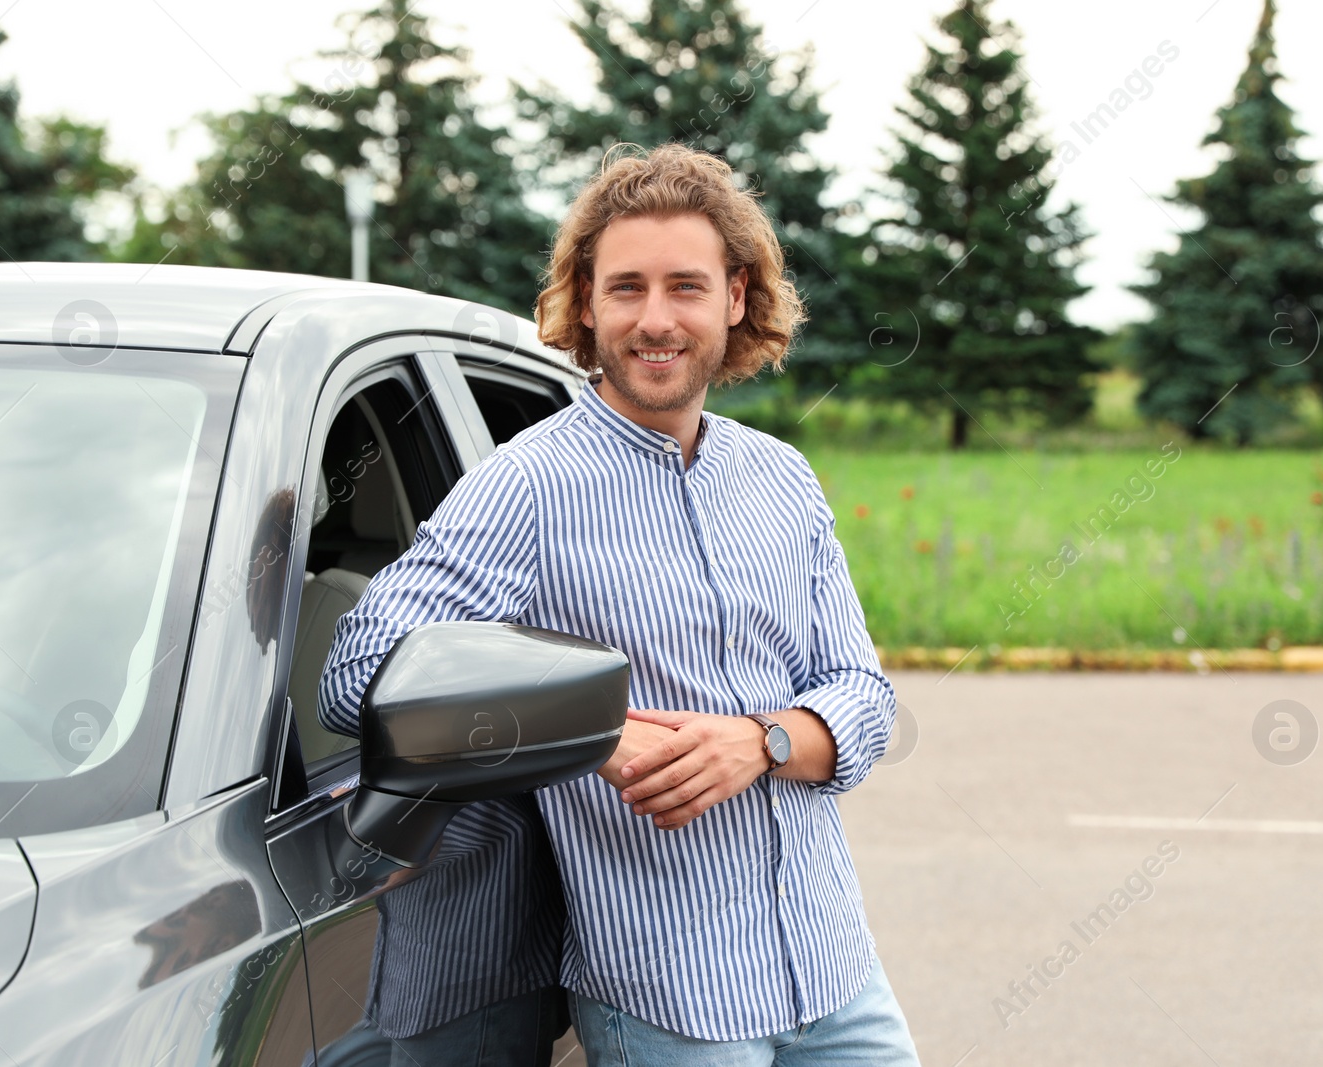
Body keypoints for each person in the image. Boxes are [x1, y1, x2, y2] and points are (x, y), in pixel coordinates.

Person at [319, 142, 920, 1066]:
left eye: (685, 285)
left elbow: (864, 697)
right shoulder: (525, 486)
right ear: (588, 302)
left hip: (833, 967)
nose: (655, 319)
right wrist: (589, 731)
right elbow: (357, 675)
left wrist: (758, 740)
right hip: (668, 990)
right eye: (627, 287)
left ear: (735, 296)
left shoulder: (782, 478)